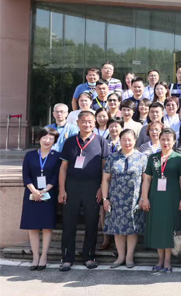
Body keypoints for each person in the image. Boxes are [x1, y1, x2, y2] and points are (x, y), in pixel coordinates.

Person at [58, 111, 108, 271]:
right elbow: (63, 168)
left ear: (94, 123)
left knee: (91, 222)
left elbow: (105, 168)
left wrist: (101, 188)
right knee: (69, 223)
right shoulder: (70, 142)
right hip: (72, 186)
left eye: (90, 121)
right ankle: (67, 258)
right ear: (78, 123)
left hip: (93, 186)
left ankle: (89, 256)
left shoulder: (101, 141)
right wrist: (62, 190)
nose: (87, 124)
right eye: (84, 121)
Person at [140, 129, 181, 273]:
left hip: (173, 198)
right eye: (163, 139)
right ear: (159, 140)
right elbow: (147, 179)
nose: (165, 142)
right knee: (158, 228)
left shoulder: (179, 158)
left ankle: (167, 260)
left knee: (169, 228)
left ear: (174, 141)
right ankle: (160, 259)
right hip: (155, 198)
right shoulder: (153, 158)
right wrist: (145, 198)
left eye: (168, 139)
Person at [101, 129, 147, 269]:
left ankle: (129, 257)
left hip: (134, 198)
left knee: (132, 228)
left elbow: (146, 180)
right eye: (124, 139)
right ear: (120, 140)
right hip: (116, 198)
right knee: (118, 228)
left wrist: (143, 197)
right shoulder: (112, 157)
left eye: (130, 139)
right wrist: (105, 198)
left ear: (135, 140)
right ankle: (120, 257)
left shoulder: (142, 158)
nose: (127, 142)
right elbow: (105, 179)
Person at [21, 127, 61, 271]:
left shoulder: (57, 156)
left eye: (51, 138)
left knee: (46, 226)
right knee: (32, 227)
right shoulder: (30, 155)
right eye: (44, 137)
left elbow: (56, 176)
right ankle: (35, 257)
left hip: (48, 194)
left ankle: (44, 256)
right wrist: (34, 190)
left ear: (55, 141)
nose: (47, 140)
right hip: (31, 194)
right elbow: (26, 175)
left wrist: (44, 190)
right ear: (39, 139)